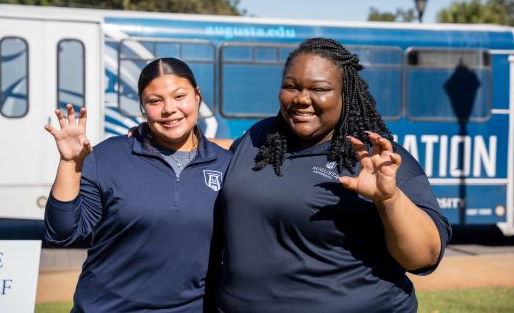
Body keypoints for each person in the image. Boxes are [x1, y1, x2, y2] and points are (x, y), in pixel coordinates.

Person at [216, 38, 452, 312]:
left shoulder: (374, 159)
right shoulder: (259, 138)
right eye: (291, 86)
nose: (302, 99)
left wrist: (388, 199)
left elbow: (424, 256)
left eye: (319, 89)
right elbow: (216, 154)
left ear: (346, 95)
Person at [44, 58, 232, 312]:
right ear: (143, 107)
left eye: (179, 96)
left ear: (197, 96)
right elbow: (63, 234)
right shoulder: (108, 157)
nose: (169, 109)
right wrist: (69, 163)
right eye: (155, 101)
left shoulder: (227, 165)